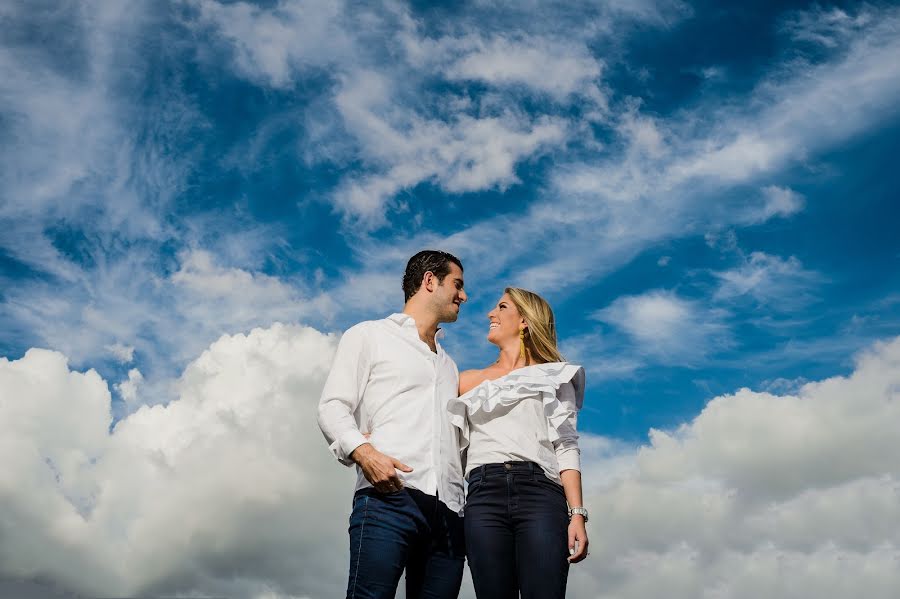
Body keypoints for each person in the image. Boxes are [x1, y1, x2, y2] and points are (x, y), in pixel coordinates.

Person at [317, 250, 468, 599]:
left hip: (448, 516)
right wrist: (364, 452)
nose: (464, 296)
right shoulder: (369, 335)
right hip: (389, 500)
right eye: (457, 285)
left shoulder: (450, 366)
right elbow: (332, 406)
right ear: (430, 281)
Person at [448, 287, 589, 599]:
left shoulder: (555, 376)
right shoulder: (466, 381)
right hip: (482, 496)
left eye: (501, 307)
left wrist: (577, 512)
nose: (490, 314)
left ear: (524, 321)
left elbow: (566, 445)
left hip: (541, 494)